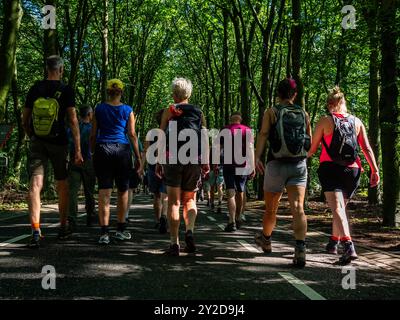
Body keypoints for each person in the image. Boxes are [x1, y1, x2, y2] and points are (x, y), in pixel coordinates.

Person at [308, 86, 380, 264]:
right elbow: (367, 148)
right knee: (339, 208)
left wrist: (299, 158)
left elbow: (312, 148)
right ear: (344, 102)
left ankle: (349, 246)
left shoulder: (325, 121)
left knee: (338, 208)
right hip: (353, 170)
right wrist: (375, 170)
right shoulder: (357, 121)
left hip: (331, 168)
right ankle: (333, 242)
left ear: (331, 103)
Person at [22, 55, 83, 248]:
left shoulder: (35, 89)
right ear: (61, 69)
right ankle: (63, 226)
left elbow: (25, 118)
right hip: (59, 142)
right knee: (62, 184)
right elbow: (73, 120)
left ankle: (35, 230)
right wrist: (78, 149)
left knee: (35, 184)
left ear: (46, 69)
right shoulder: (66, 90)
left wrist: (31, 134)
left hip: (38, 141)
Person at [255, 78, 311, 268]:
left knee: (271, 209)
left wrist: (256, 158)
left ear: (278, 94)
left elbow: (263, 135)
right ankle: (300, 249)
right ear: (295, 95)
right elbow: (308, 141)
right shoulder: (304, 113)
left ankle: (266, 240)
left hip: (276, 165)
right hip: (298, 165)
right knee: (298, 208)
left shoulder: (271, 112)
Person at [157, 77, 209, 256]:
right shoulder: (198, 111)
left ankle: (174, 243)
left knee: (174, 202)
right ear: (189, 93)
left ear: (174, 94)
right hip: (193, 158)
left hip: (172, 158)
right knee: (190, 199)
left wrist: (158, 161)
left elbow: (161, 137)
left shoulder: (168, 111)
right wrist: (206, 161)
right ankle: (190, 231)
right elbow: (204, 137)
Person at [91, 79, 143, 245]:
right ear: (121, 92)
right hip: (122, 150)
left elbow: (93, 134)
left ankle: (104, 233)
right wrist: (139, 158)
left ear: (108, 91)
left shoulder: (98, 109)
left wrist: (93, 151)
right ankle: (120, 229)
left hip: (103, 149)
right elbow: (132, 135)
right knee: (123, 190)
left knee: (104, 191)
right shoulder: (128, 110)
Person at [222, 112, 254, 232]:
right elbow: (250, 148)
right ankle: (239, 216)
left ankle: (231, 221)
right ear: (240, 120)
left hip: (228, 164)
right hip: (243, 164)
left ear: (231, 119)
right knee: (240, 190)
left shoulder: (225, 130)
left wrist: (214, 164)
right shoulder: (247, 130)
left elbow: (218, 148)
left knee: (230, 191)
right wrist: (253, 165)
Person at [67, 105, 96, 228]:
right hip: (89, 162)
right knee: (89, 191)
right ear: (89, 115)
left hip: (74, 161)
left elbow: (67, 143)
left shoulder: (73, 128)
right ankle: (90, 215)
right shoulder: (92, 129)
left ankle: (72, 219)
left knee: (73, 191)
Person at [145, 109, 168, 234]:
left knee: (156, 195)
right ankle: (164, 215)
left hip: (152, 166)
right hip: (167, 165)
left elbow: (146, 150)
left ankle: (158, 219)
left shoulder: (151, 133)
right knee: (165, 194)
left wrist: (140, 166)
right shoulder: (171, 131)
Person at [125, 135, 144, 224]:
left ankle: (121, 214)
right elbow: (141, 153)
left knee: (122, 189)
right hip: (132, 166)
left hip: (120, 165)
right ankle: (126, 214)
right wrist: (141, 166)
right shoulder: (133, 137)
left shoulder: (118, 133)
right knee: (129, 190)